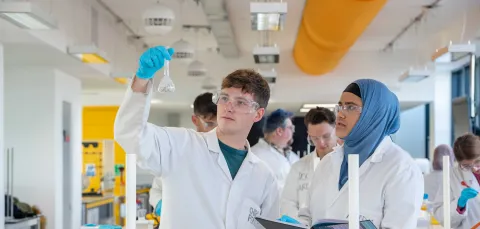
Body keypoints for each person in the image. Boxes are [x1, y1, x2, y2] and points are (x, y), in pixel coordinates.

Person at [114, 46, 279, 229]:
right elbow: (130, 134)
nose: (228, 107)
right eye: (224, 98)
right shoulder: (180, 146)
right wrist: (142, 80)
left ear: (258, 114)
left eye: (240, 102)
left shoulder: (264, 177)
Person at [295, 79, 423, 228]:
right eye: (340, 106)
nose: (340, 114)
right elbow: (308, 216)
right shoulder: (327, 162)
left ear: (374, 113)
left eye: (350, 107)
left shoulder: (401, 169)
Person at [148, 92, 218, 216]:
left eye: (218, 125)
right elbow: (156, 189)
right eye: (209, 124)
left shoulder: (225, 152)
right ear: (195, 120)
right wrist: (160, 204)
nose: (214, 130)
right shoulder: (179, 147)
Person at [280, 107, 337, 218]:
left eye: (326, 136)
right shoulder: (299, 167)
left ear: (336, 130)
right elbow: (288, 203)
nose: (321, 143)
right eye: (315, 138)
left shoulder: (348, 164)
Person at [432, 133, 480, 229]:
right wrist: (459, 206)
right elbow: (442, 218)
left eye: (477, 161)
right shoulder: (452, 176)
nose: (475, 168)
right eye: (467, 166)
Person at [251, 109, 299, 189]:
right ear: (279, 131)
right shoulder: (255, 156)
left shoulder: (292, 156)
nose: (293, 131)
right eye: (290, 128)